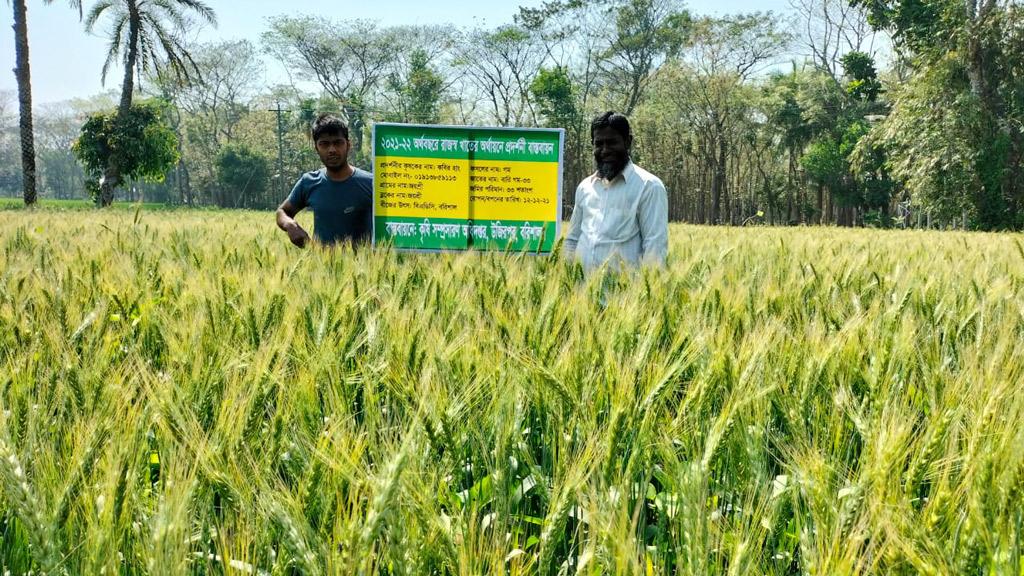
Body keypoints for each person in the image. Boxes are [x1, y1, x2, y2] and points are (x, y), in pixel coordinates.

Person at [564, 111, 668, 271]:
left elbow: (655, 247)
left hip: (624, 293)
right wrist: (566, 278)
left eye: (612, 143)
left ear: (628, 142)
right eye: (599, 144)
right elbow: (572, 239)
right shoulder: (585, 187)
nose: (605, 150)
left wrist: (648, 291)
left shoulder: (649, 187)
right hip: (581, 290)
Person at [275, 114, 373, 247]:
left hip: (364, 266)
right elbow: (282, 212)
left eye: (338, 143)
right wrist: (290, 225)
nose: (332, 149)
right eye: (324, 144)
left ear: (348, 145)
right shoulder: (308, 182)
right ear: (316, 148)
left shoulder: (371, 183)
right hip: (321, 265)